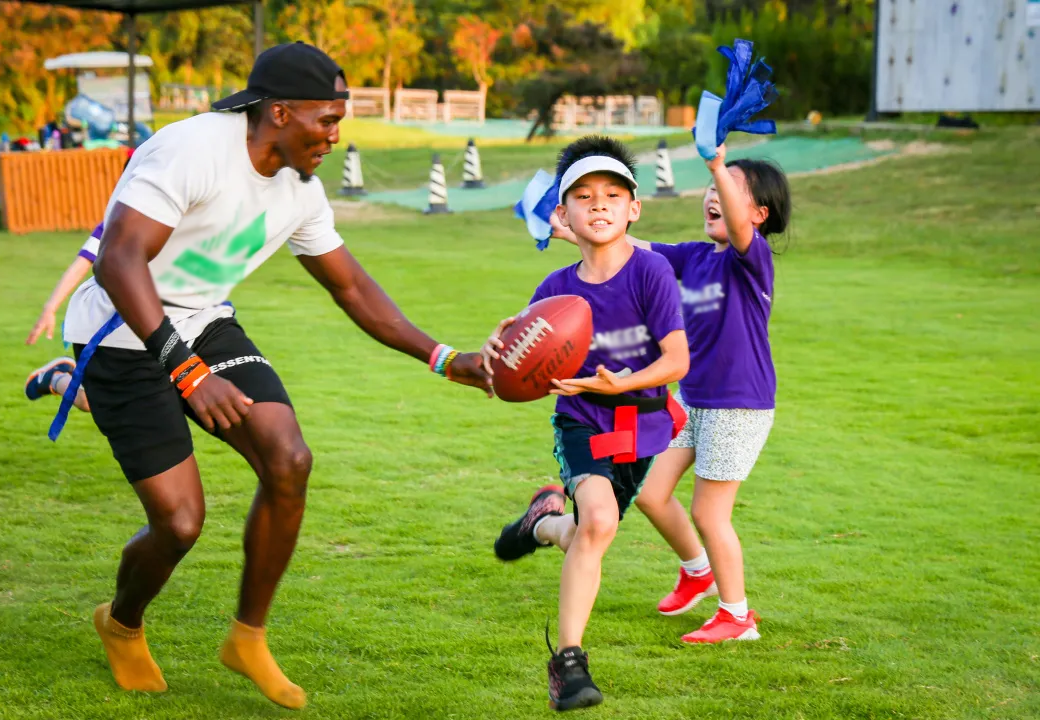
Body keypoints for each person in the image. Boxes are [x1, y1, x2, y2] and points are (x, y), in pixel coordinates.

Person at [58, 42, 490, 709]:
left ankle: (247, 639)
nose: (335, 135)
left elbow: (351, 288)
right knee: (178, 524)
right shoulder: (192, 149)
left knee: (289, 459)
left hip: (202, 322)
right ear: (280, 112)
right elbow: (118, 261)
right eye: (327, 119)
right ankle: (121, 622)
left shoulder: (301, 189)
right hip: (120, 335)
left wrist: (443, 357)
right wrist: (188, 372)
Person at [550, 145, 791, 643]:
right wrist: (575, 230)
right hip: (693, 399)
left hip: (739, 404)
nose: (713, 197)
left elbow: (741, 231)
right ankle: (697, 571)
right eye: (709, 191)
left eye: (728, 192)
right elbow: (626, 243)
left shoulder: (754, 260)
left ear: (758, 214)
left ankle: (737, 615)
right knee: (652, 495)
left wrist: (718, 167)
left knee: (708, 511)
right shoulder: (695, 256)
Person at [482, 136, 689, 711]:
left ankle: (543, 523)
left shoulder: (650, 273)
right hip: (581, 420)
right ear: (562, 214)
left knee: (586, 534)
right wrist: (498, 349)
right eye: (583, 195)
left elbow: (677, 360)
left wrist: (621, 382)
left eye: (612, 194)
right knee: (597, 522)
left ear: (633, 208)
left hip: (642, 424)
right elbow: (516, 363)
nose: (599, 204)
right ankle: (568, 664)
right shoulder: (555, 289)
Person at [24, 221, 106, 412]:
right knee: (91, 402)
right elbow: (84, 261)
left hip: (160, 323)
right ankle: (55, 377)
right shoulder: (124, 213)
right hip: (106, 321)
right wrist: (50, 307)